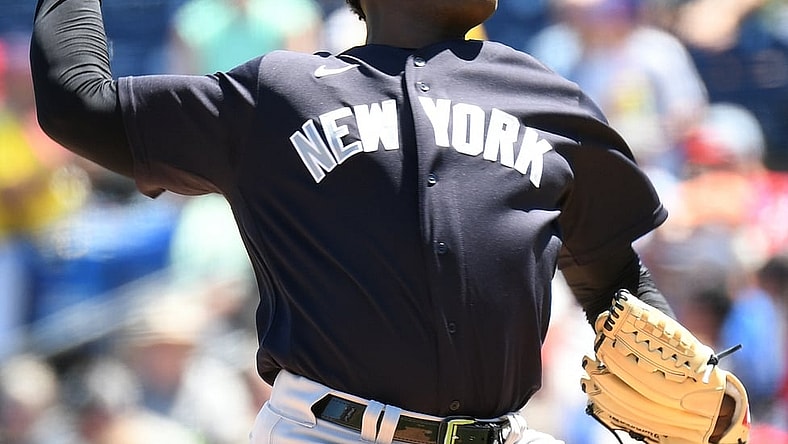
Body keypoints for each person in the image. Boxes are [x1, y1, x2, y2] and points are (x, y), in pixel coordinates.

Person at [29, 0, 744, 443]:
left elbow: (613, 285)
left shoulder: (547, 98)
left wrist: (694, 403)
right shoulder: (276, 94)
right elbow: (77, 104)